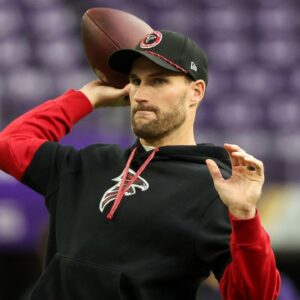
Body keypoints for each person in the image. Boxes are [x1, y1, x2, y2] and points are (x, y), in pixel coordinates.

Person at [0, 30, 280, 299]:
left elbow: (255, 296)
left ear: (196, 91)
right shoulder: (88, 163)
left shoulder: (214, 187)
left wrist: (245, 216)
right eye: (135, 81)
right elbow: (9, 144)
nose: (141, 94)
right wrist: (86, 98)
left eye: (158, 81)